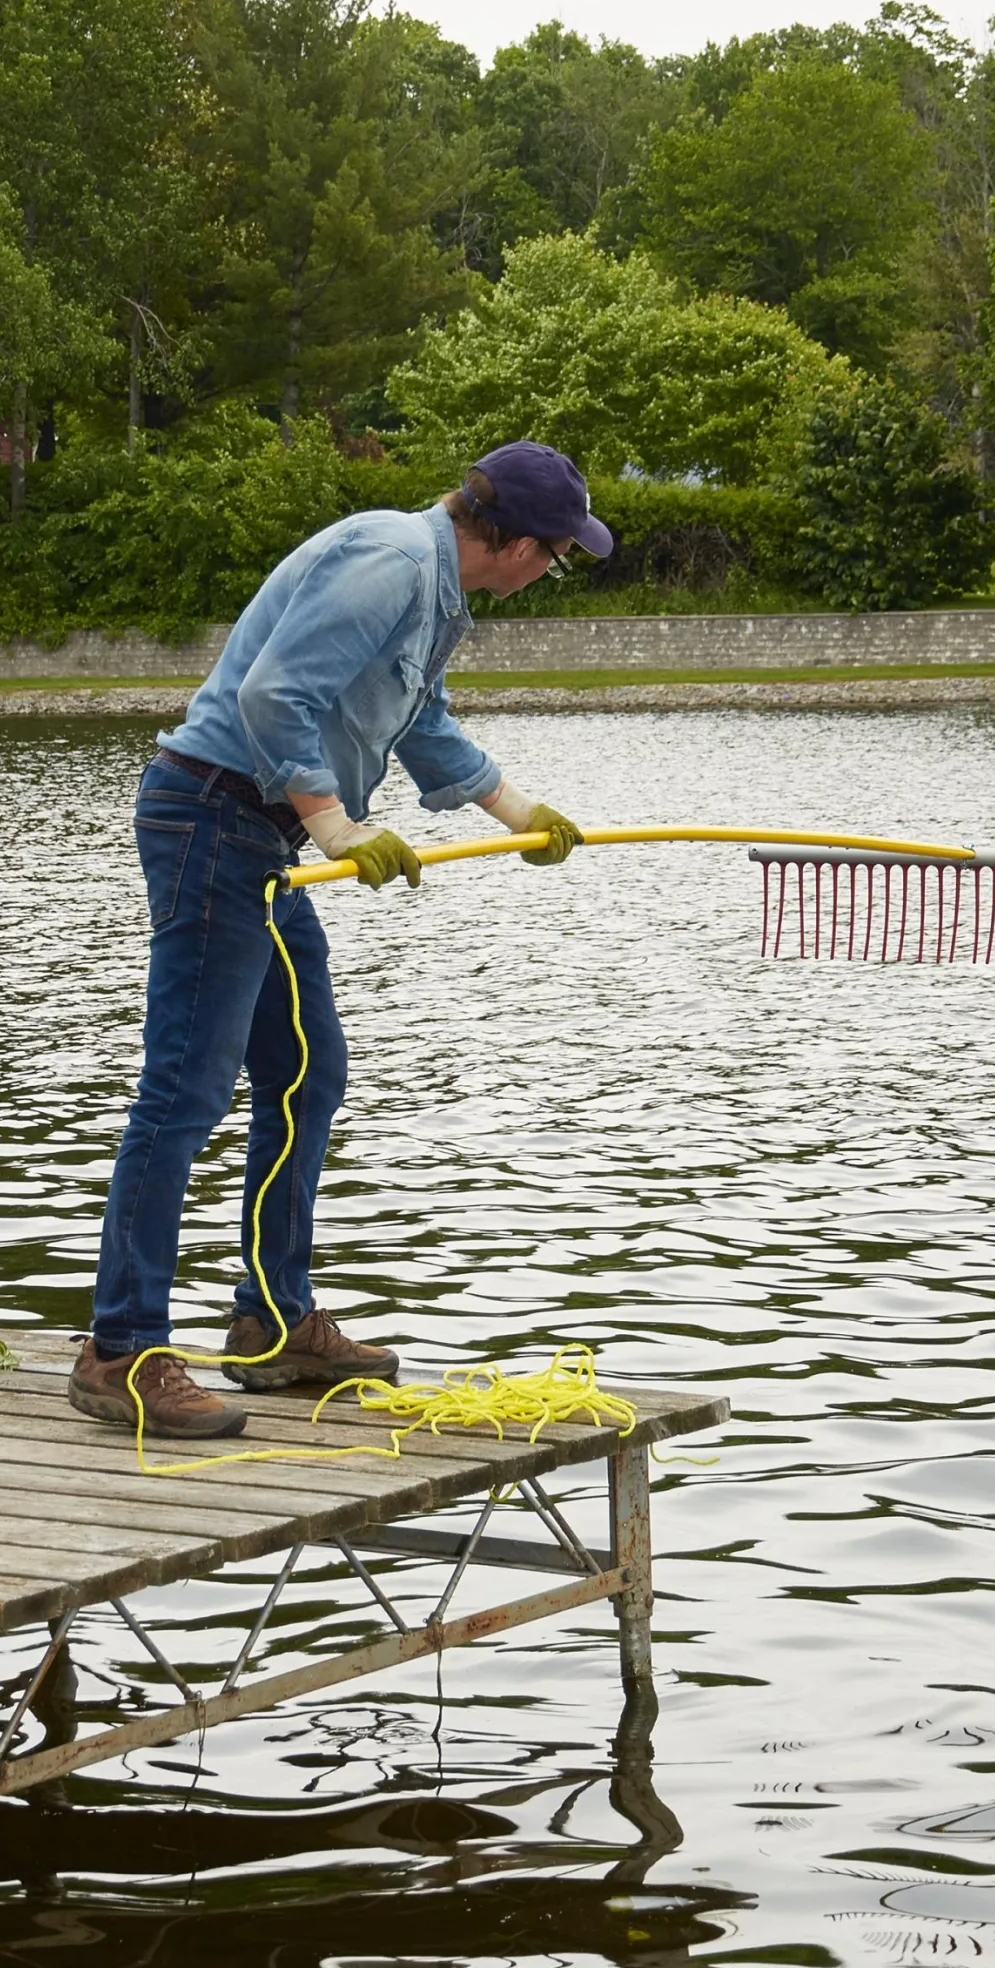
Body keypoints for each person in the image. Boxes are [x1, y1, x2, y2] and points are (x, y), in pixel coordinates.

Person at [69, 440, 613, 1438]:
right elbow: (273, 696)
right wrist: (333, 820)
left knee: (305, 1073)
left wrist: (516, 809)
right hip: (211, 821)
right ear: (520, 544)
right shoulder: (390, 563)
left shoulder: (434, 590)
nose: (551, 570)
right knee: (184, 1090)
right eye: (557, 551)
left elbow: (418, 722)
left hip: (262, 837)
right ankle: (119, 1349)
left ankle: (271, 1323)